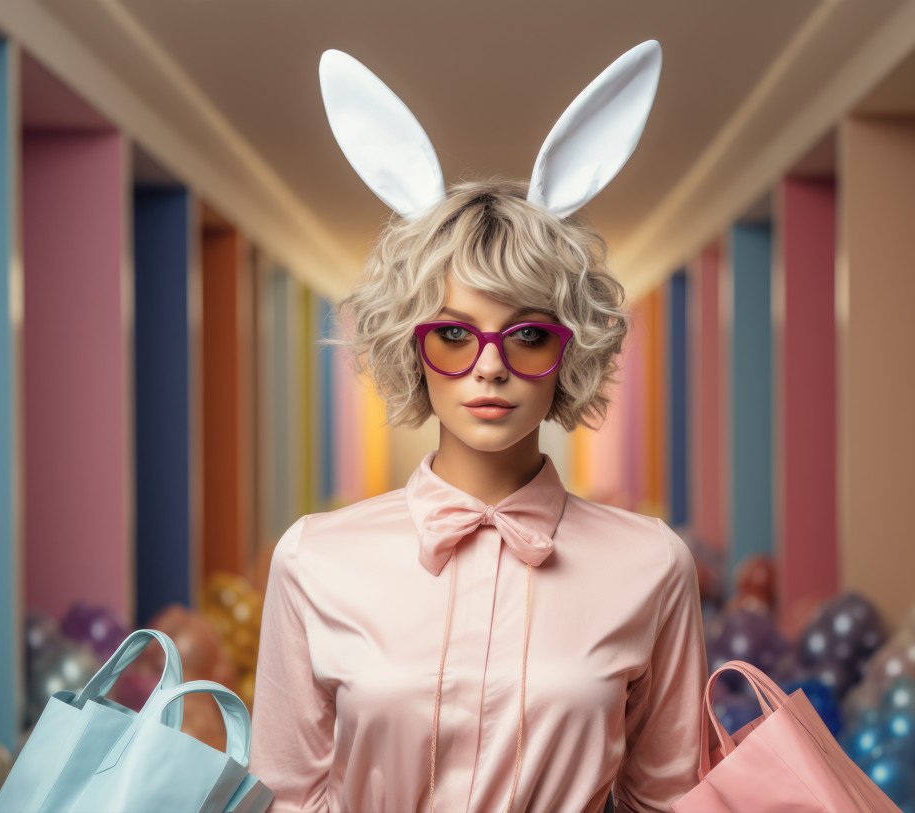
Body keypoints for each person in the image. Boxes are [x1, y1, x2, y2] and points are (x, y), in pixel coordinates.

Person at [250, 41, 708, 813]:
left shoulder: (653, 565)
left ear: (569, 352)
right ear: (413, 347)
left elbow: (668, 800)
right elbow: (287, 799)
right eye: (455, 335)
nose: (489, 368)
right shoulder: (312, 559)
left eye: (527, 334)